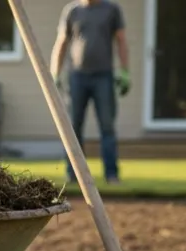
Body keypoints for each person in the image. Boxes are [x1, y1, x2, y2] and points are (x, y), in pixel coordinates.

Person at [51, 0, 130, 185]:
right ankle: (73, 174)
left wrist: (125, 71)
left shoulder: (111, 10)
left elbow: (121, 40)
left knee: (107, 127)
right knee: (73, 127)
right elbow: (61, 42)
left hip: (104, 76)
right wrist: (55, 73)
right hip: (77, 77)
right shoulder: (72, 11)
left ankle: (111, 174)